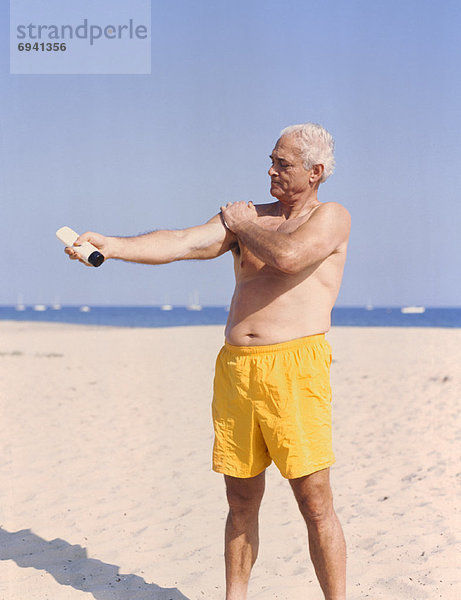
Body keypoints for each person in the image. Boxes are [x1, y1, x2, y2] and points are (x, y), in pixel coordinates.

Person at [66, 122, 351, 600]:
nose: (271, 170)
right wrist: (112, 247)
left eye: (283, 164)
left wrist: (241, 226)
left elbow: (291, 258)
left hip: (295, 371)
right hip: (237, 372)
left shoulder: (330, 217)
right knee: (240, 499)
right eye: (272, 159)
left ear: (315, 172)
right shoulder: (251, 219)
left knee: (314, 501)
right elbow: (180, 243)